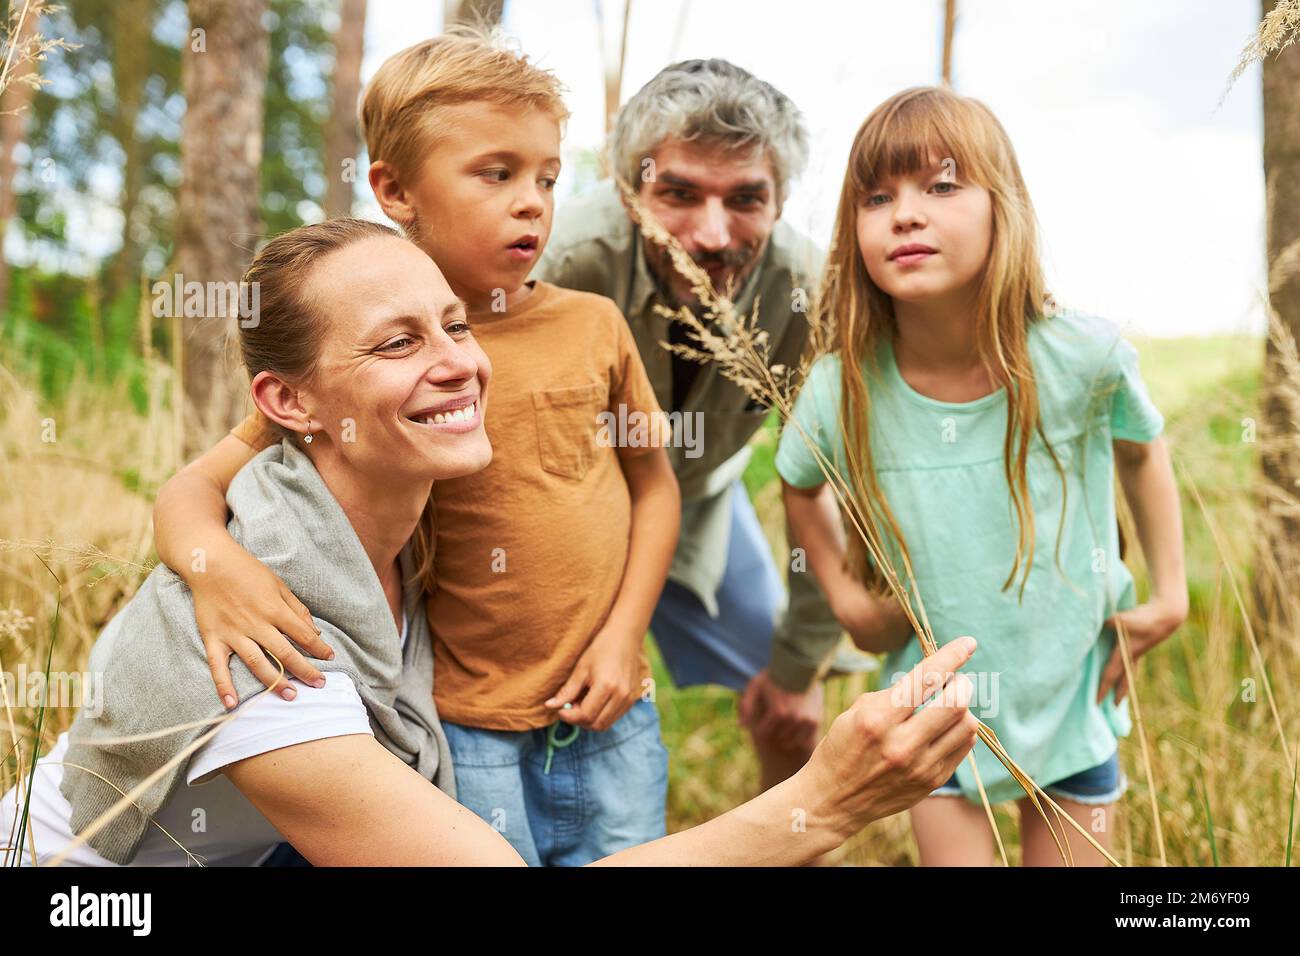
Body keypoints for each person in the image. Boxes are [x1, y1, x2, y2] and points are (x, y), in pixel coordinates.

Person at [0, 220, 982, 867]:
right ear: (291, 402)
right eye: (397, 342)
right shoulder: (268, 644)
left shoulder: (399, 513)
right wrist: (828, 797)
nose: (460, 364)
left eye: (456, 324)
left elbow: (202, 477)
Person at [151, 30, 682, 867]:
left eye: (547, 175)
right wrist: (219, 571)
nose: (533, 201)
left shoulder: (595, 325)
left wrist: (627, 634)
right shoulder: (359, 354)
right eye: (495, 173)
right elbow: (193, 488)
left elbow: (654, 487)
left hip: (613, 707)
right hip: (461, 724)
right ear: (394, 189)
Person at [776, 86, 1188, 866]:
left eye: (941, 185)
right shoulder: (842, 388)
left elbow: (1142, 446)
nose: (905, 214)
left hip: (1073, 701)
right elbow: (800, 483)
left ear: (1005, 209)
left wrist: (1171, 590)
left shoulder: (1083, 358)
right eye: (877, 196)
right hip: (939, 723)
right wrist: (849, 605)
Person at [536, 59, 865, 795]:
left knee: (792, 710)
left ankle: (788, 847)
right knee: (533, 713)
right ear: (629, 191)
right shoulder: (558, 261)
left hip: (700, 507)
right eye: (678, 194)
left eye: (746, 198)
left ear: (780, 203)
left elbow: (833, 486)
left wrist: (799, 664)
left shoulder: (816, 296)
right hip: (555, 523)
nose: (711, 236)